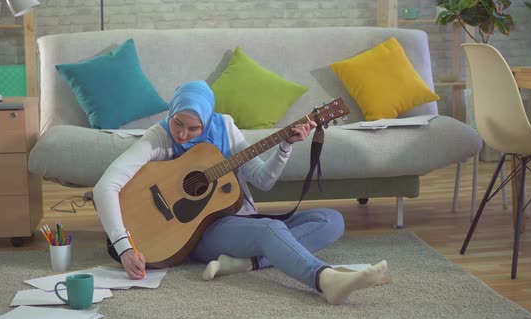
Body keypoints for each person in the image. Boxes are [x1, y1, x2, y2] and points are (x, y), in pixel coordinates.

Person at [93, 80, 389, 305]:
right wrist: (124, 247)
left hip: (238, 219)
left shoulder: (225, 127)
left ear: (207, 120)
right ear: (170, 113)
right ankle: (324, 279)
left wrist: (285, 146)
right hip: (193, 236)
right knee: (270, 229)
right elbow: (106, 186)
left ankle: (249, 262)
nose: (182, 134)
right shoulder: (158, 136)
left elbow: (263, 180)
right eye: (177, 123)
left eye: (194, 128)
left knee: (331, 220)